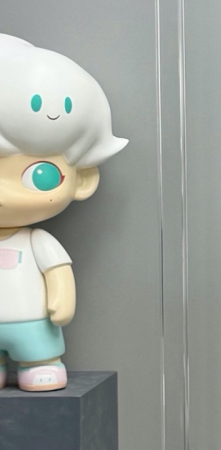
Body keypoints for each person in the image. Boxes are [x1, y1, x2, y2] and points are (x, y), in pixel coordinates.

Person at [0, 34, 127, 391]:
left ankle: (41, 362)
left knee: (39, 352)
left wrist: (61, 299)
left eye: (39, 175)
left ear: (82, 179)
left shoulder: (38, 241)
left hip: (34, 325)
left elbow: (58, 273)